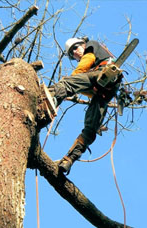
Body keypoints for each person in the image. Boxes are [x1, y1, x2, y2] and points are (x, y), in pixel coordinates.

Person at [51, 37, 123, 174]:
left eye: (75, 49)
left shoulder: (91, 47)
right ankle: (70, 159)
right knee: (91, 128)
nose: (75, 54)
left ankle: (47, 99)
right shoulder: (91, 60)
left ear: (82, 45)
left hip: (102, 73)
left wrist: (74, 77)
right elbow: (85, 87)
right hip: (105, 91)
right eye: (72, 54)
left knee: (67, 83)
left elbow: (85, 63)